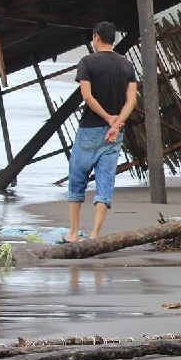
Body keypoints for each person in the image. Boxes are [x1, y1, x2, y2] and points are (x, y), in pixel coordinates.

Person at [65, 21, 138, 243]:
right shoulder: (127, 65)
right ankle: (95, 234)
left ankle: (74, 232)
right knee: (105, 181)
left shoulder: (87, 62)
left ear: (96, 38)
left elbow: (87, 97)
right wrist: (115, 125)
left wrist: (106, 118)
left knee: (77, 179)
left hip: (89, 129)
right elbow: (131, 100)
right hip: (114, 134)